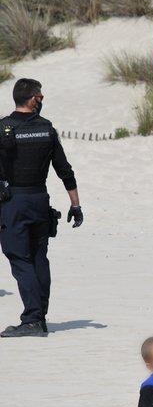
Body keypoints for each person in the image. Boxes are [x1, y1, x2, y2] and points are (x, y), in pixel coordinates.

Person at [0, 78, 83, 338]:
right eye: (40, 96)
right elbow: (64, 170)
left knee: (19, 258)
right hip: (39, 200)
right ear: (33, 98)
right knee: (38, 257)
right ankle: (40, 317)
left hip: (13, 202)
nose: (42, 100)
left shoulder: (4, 128)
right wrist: (75, 205)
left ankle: (32, 319)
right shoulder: (46, 129)